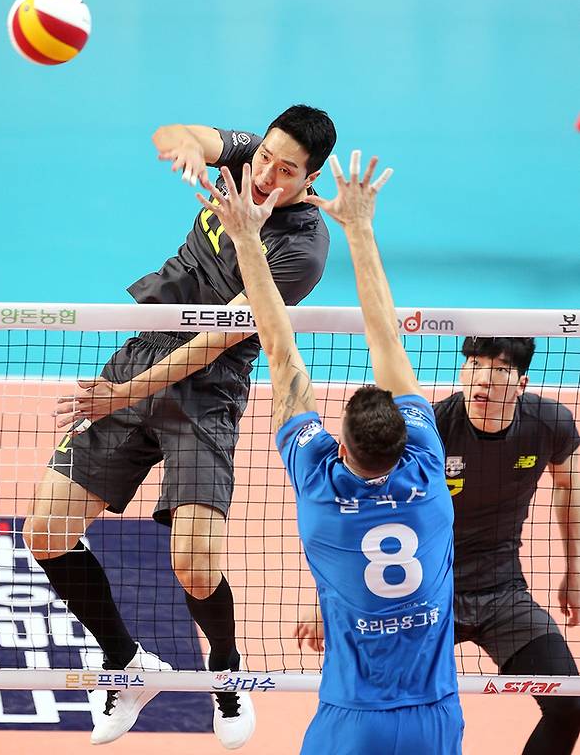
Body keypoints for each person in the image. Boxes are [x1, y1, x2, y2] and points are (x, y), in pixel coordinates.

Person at [22, 105, 337, 748]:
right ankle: (127, 663)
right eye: (266, 157)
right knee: (46, 532)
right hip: (144, 349)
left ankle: (226, 673)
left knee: (195, 566)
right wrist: (190, 146)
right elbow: (174, 133)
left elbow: (215, 340)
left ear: (311, 180)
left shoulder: (302, 249)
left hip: (208, 391)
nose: (266, 176)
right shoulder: (247, 157)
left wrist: (122, 396)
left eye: (287, 171)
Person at [200, 152, 463, 753]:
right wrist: (361, 228)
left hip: (354, 717)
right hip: (435, 716)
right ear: (409, 439)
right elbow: (386, 335)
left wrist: (246, 239)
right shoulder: (428, 467)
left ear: (340, 445)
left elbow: (278, 347)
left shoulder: (320, 486)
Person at [297, 336, 580, 755]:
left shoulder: (549, 423)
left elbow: (569, 483)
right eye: (474, 364)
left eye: (499, 369)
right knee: (373, 702)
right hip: (425, 600)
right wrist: (326, 600)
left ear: (521, 383)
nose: (483, 379)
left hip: (503, 592)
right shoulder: (431, 431)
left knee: (570, 706)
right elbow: (365, 507)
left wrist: (575, 571)